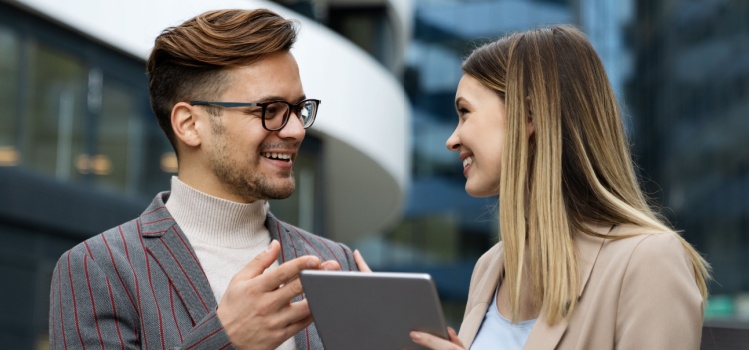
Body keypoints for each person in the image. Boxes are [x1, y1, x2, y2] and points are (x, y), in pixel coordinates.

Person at [49, 8, 367, 349]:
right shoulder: (99, 270)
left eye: (298, 110)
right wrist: (227, 340)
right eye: (269, 111)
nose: (294, 130)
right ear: (189, 124)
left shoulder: (338, 264)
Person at [409, 25, 711, 350]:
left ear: (529, 114)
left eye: (465, 113)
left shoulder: (648, 262)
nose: (451, 140)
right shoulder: (490, 268)